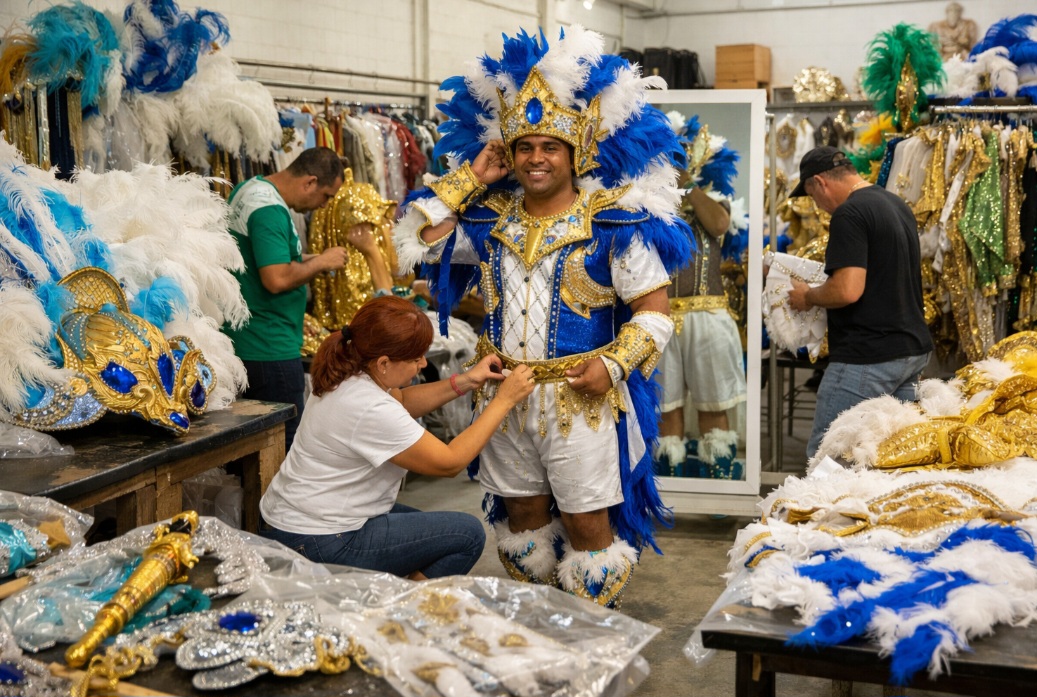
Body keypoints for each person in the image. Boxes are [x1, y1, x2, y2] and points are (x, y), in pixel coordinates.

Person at [394, 28, 691, 608]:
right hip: (504, 397)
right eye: (524, 146)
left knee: (587, 528)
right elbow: (414, 243)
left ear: (573, 153)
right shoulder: (486, 219)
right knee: (523, 523)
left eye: (549, 147)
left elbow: (656, 312)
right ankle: (544, 628)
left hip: (581, 401)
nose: (536, 158)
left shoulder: (613, 223)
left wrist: (614, 364)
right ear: (510, 152)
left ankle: (589, 634)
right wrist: (472, 178)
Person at [260, 295, 535, 579]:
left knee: (424, 525)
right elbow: (450, 462)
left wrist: (465, 381)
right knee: (466, 534)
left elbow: (401, 400)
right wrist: (504, 401)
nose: (422, 363)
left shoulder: (351, 371)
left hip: (295, 522)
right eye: (415, 358)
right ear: (383, 363)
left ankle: (397, 584)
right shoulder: (368, 406)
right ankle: (401, 603)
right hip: (318, 540)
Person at [787, 146, 932, 460]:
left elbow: (847, 290)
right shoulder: (895, 203)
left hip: (868, 356)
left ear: (819, 183)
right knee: (889, 456)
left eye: (812, 196)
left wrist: (807, 296)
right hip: (910, 350)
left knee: (830, 457)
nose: (818, 206)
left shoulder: (849, 213)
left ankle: (819, 511)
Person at [223, 147, 348, 451]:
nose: (322, 206)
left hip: (254, 341)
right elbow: (276, 278)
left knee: (256, 449)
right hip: (269, 349)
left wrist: (309, 258)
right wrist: (321, 263)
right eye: (327, 196)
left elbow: (265, 259)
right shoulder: (269, 211)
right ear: (310, 182)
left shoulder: (251, 189)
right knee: (281, 447)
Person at [656, 117, 747, 480]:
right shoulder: (648, 197)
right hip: (658, 316)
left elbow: (720, 225)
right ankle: (670, 485)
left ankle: (719, 486)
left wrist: (688, 186)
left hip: (707, 314)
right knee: (666, 407)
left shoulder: (713, 194)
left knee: (713, 403)